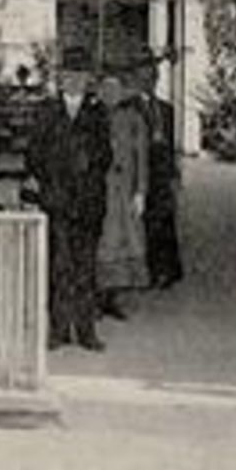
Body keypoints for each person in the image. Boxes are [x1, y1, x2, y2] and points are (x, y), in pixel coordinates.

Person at [24, 45, 112, 351]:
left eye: (80, 75)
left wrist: (85, 165)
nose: (74, 80)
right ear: (61, 78)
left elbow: (106, 156)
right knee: (59, 266)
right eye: (69, 74)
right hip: (57, 201)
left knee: (85, 267)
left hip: (89, 203)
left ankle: (86, 332)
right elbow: (33, 154)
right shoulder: (47, 112)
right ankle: (59, 330)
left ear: (88, 79)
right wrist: (55, 174)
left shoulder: (98, 112)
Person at [96, 71, 150, 317]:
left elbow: (142, 157)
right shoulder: (93, 117)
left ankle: (114, 297)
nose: (110, 95)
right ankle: (97, 296)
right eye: (105, 90)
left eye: (114, 90)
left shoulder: (134, 118)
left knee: (124, 243)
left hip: (125, 190)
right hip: (100, 190)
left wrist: (140, 190)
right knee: (102, 243)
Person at [132, 52, 183, 288]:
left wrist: (174, 174)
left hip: (161, 172)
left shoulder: (166, 110)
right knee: (141, 223)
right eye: (144, 76)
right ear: (136, 78)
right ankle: (143, 271)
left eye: (152, 76)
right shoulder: (129, 108)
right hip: (139, 171)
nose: (148, 81)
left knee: (163, 220)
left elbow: (171, 146)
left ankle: (166, 270)